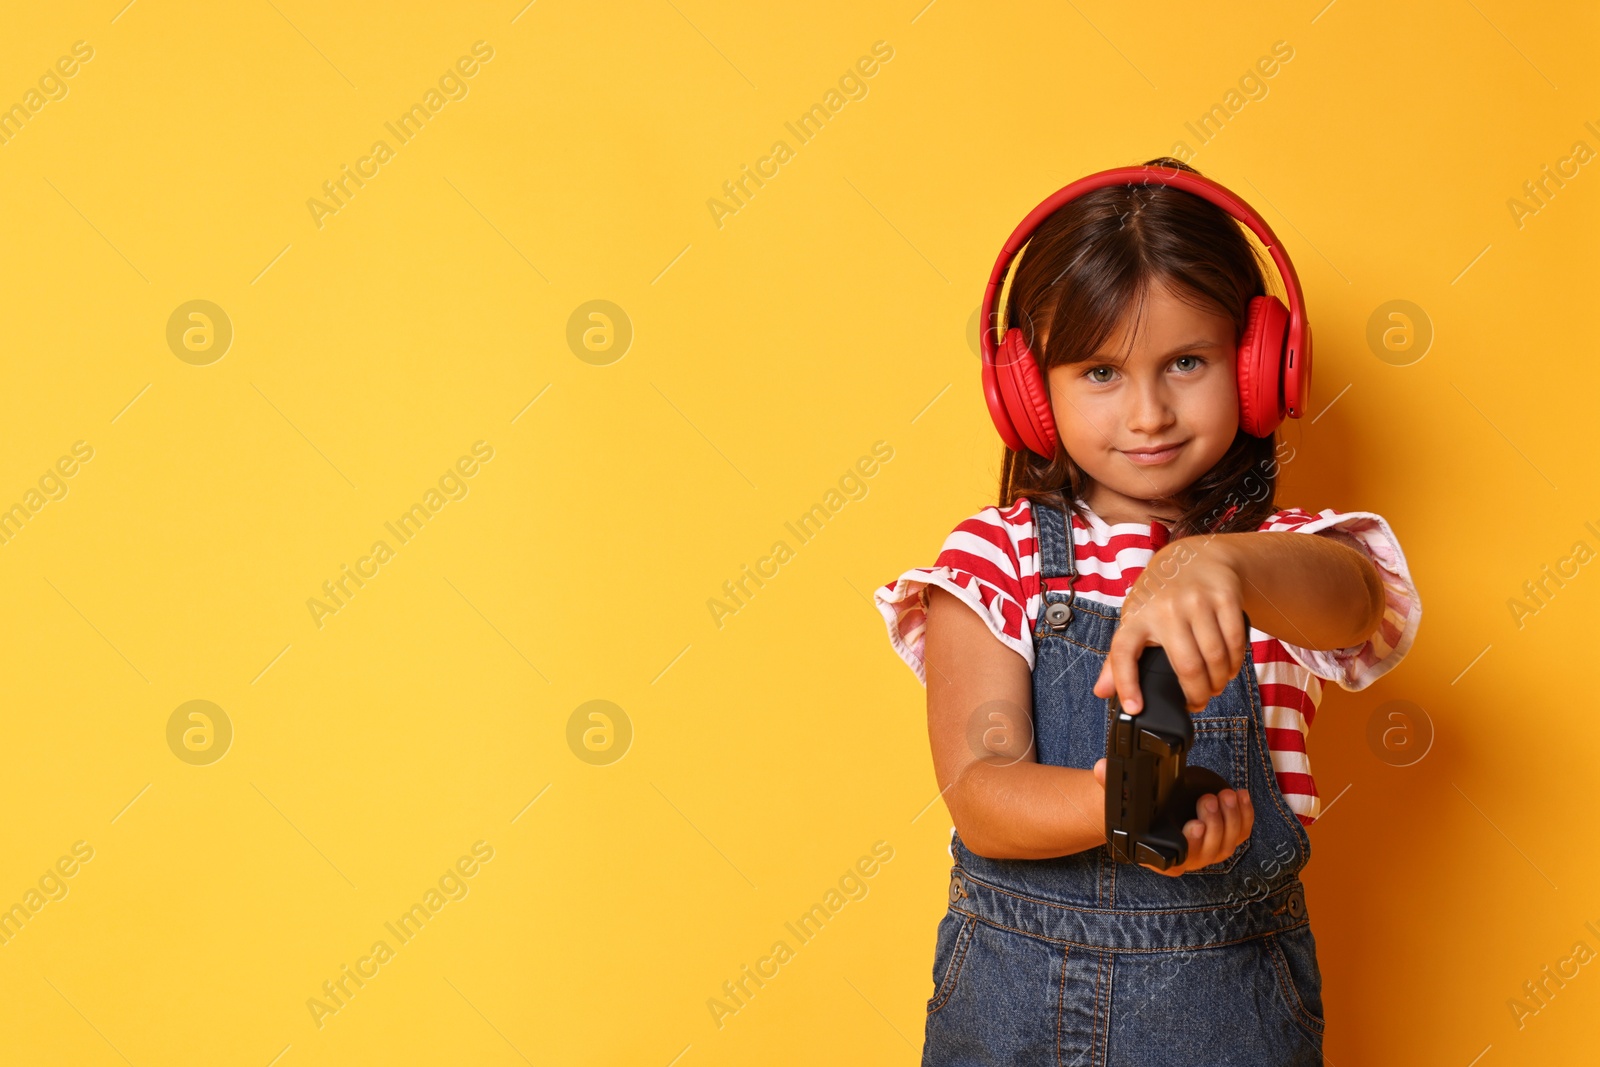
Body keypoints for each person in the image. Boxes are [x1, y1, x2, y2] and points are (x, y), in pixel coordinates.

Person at [873, 157, 1421, 1065]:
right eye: (1099, 372)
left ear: (1258, 368)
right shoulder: (999, 553)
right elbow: (981, 794)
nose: (1150, 412)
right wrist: (1125, 805)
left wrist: (1224, 563)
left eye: (1187, 362)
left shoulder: (1288, 556)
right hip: (1013, 1007)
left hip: (1228, 1012)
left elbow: (1357, 604)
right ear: (1027, 392)